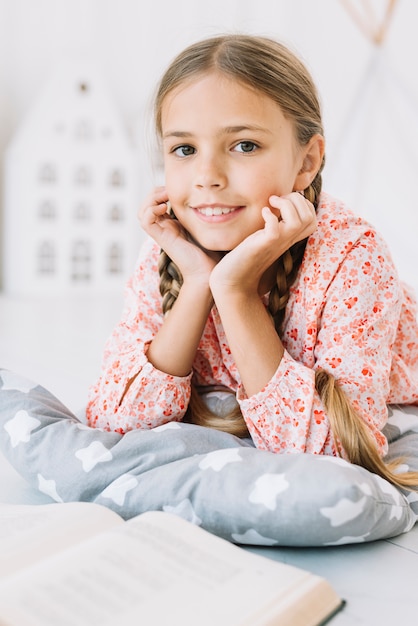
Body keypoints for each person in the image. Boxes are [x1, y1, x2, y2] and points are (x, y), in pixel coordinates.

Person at [86, 33, 418, 490]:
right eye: (185, 150)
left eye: (243, 145)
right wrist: (200, 281)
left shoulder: (352, 257)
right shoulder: (169, 249)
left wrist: (236, 292)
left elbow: (333, 458)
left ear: (306, 162)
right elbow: (112, 420)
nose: (207, 177)